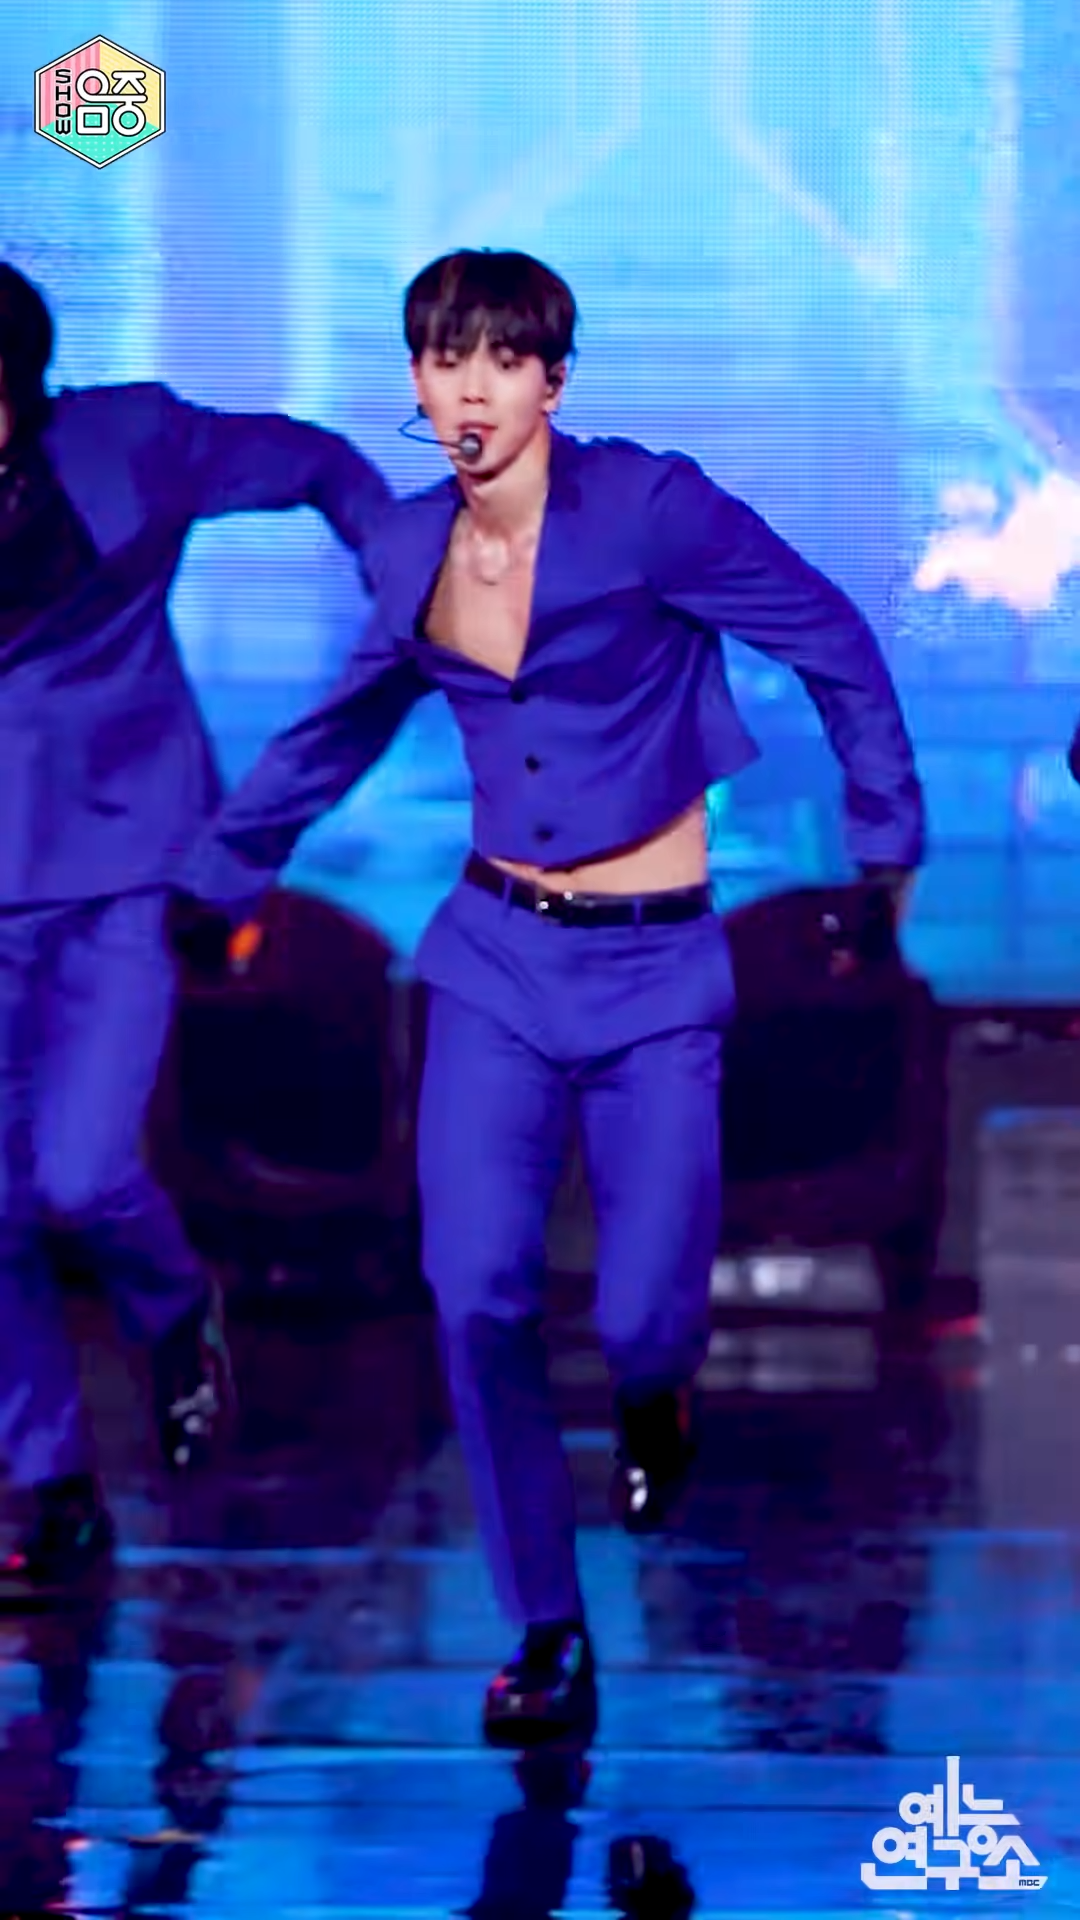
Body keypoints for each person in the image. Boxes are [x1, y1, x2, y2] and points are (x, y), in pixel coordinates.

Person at [169, 248, 925, 1748]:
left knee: (643, 1317)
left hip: (654, 972)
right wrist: (221, 874)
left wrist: (885, 841)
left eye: (501, 360)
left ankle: (660, 1399)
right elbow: (336, 729)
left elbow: (832, 637)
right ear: (415, 379)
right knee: (477, 1293)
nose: (470, 389)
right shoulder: (407, 548)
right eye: (443, 359)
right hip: (495, 963)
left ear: (553, 381)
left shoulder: (652, 511)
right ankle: (545, 1631)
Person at [0, 262, 392, 1595]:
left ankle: (178, 1313)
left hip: (123, 864)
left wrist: (396, 561)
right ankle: (53, 1486)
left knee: (82, 1177)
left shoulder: (132, 442)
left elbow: (316, 460)